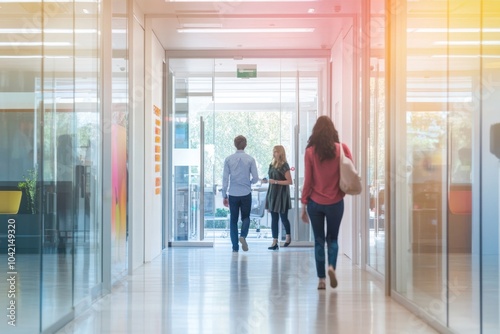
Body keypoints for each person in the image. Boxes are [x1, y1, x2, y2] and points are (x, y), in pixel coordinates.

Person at [300, 115, 354, 290]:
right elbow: (350, 168)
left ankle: (321, 279)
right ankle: (331, 266)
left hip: (315, 203)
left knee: (318, 240)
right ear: (333, 131)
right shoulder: (341, 149)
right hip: (336, 202)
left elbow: (307, 181)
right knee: (333, 239)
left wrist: (303, 204)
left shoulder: (309, 152)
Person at [222, 135, 261, 252]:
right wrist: (248, 182)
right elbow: (256, 178)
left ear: (235, 145)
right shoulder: (250, 159)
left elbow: (225, 180)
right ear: (245, 145)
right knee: (246, 217)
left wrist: (224, 195)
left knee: (233, 220)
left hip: (233, 193)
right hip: (246, 193)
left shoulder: (228, 159)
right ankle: (243, 236)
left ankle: (235, 247)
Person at [265, 145, 292, 250]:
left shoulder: (285, 166)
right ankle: (274, 241)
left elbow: (289, 181)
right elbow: (270, 178)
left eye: (276, 151)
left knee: (283, 218)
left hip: (281, 194)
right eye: (273, 151)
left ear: (280, 153)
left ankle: (288, 237)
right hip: (272, 194)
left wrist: (276, 182)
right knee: (274, 218)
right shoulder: (271, 165)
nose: (274, 153)